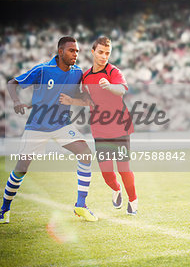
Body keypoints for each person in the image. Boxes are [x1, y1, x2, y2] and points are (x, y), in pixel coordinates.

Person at [0, 36, 97, 223]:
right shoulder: (43, 70)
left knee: (85, 153)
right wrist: (17, 101)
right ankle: (4, 209)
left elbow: (84, 98)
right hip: (37, 126)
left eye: (77, 51)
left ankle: (81, 205)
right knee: (21, 168)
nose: (75, 54)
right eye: (71, 50)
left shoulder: (77, 72)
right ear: (60, 52)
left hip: (62, 124)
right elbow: (12, 83)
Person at [60, 36, 137, 215]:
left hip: (120, 126)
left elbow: (121, 89)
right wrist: (72, 100)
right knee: (106, 172)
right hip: (100, 129)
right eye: (101, 52)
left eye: (107, 53)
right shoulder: (86, 76)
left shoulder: (113, 72)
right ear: (93, 52)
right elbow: (89, 101)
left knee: (124, 168)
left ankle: (133, 200)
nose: (104, 56)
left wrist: (110, 86)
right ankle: (116, 188)